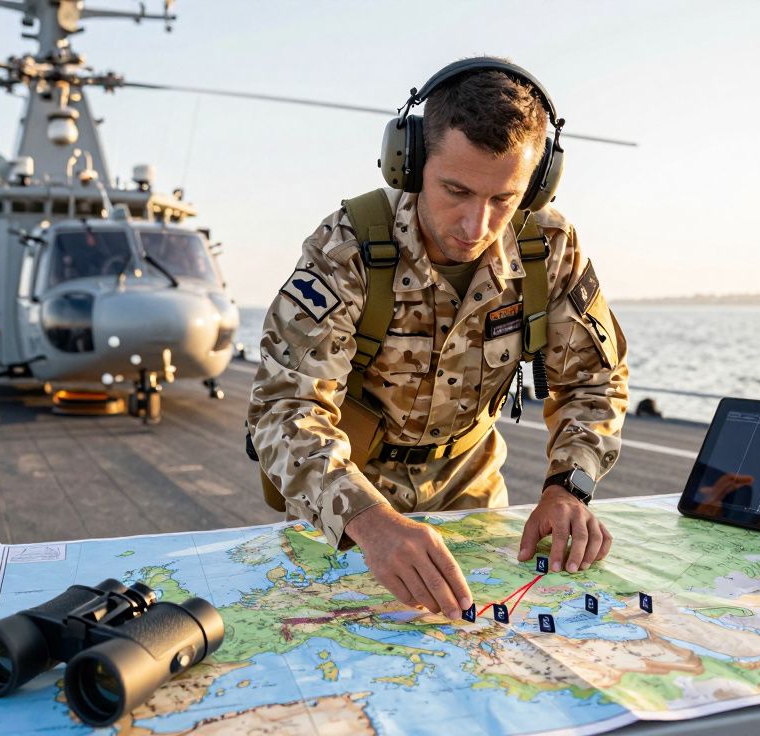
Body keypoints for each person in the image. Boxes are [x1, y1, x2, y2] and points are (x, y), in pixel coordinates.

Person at [247, 58, 628, 619]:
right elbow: (284, 409)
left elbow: (595, 381)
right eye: (456, 190)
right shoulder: (347, 247)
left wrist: (568, 487)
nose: (476, 226)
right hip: (347, 506)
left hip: (472, 495)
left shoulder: (548, 246)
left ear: (537, 183)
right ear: (410, 163)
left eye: (505, 199)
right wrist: (369, 522)